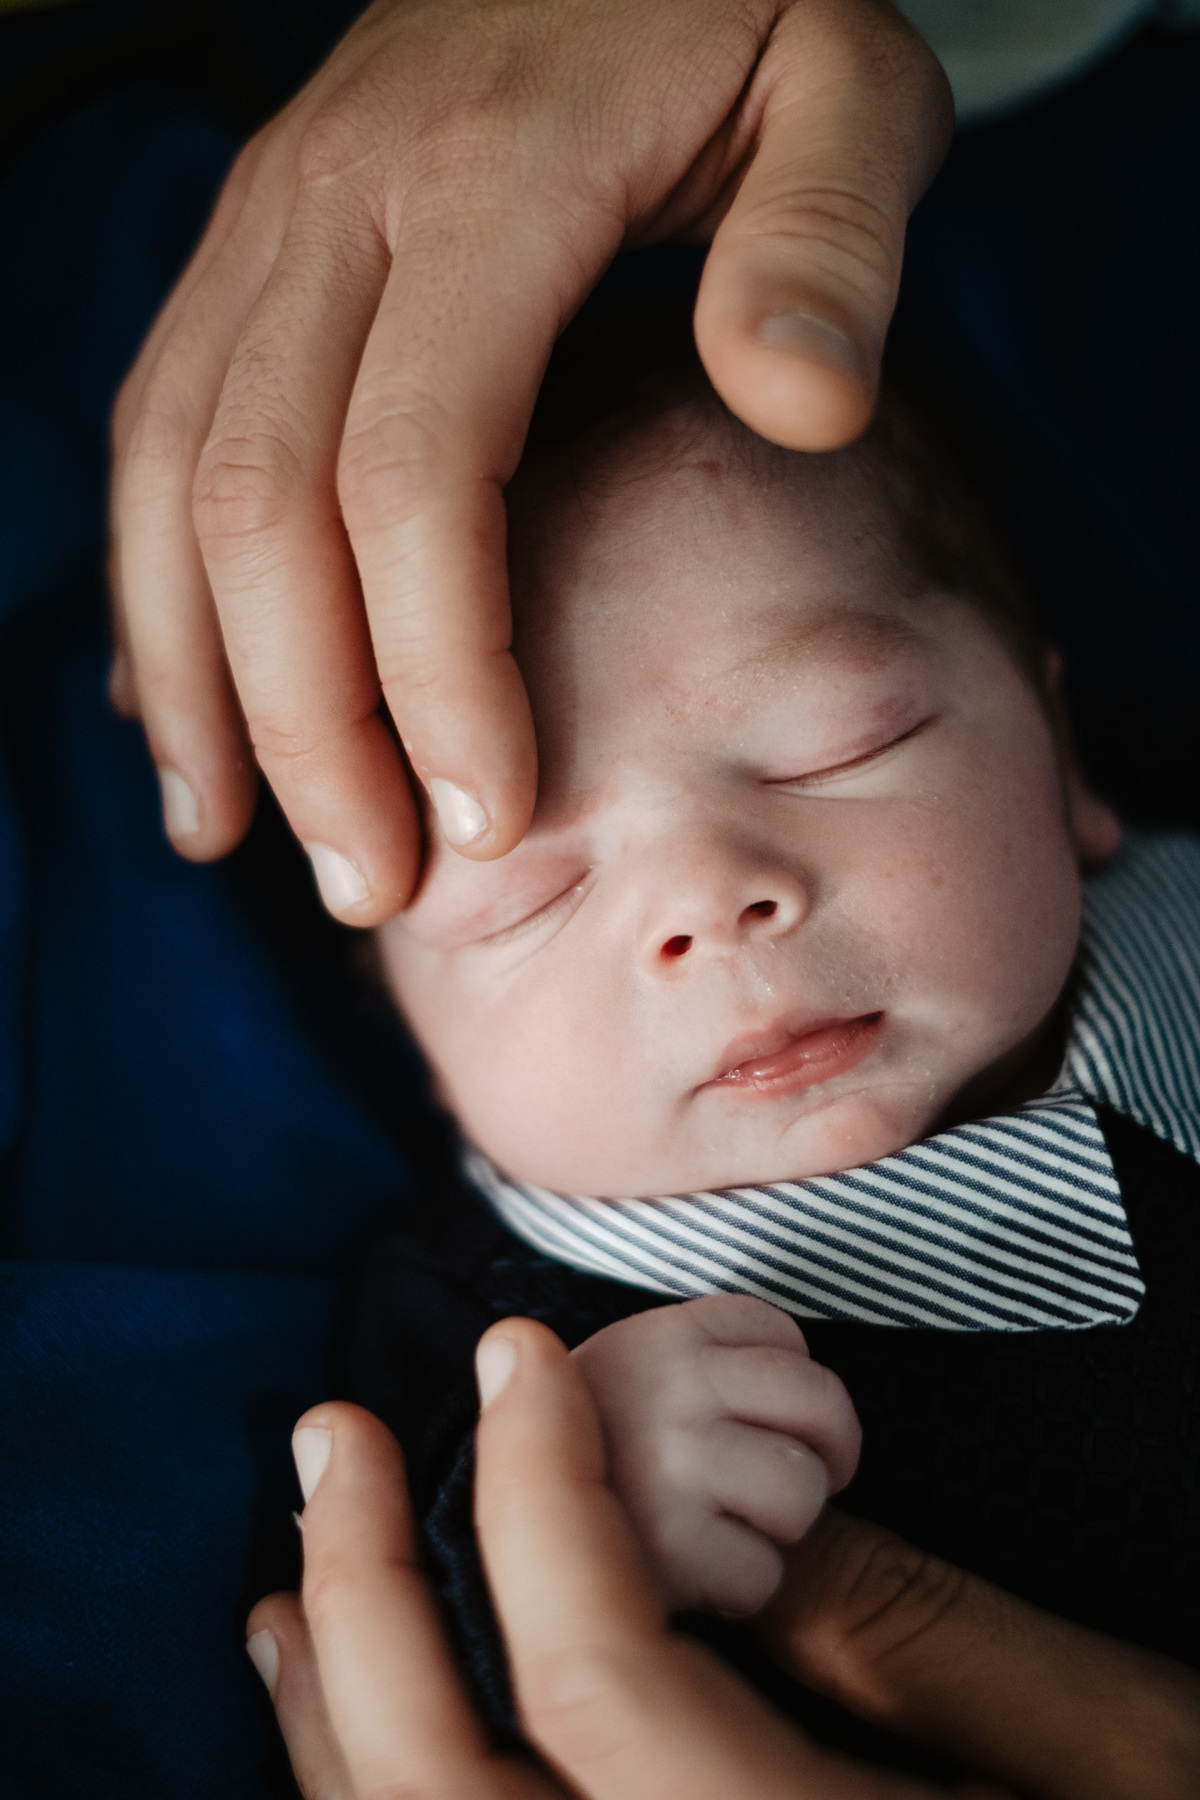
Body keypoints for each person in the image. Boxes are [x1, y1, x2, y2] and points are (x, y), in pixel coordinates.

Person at [338, 305, 1200, 1757]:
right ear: (415, 1041)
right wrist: (570, 1515)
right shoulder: (513, 1338)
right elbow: (400, 1672)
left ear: (1061, 763)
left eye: (838, 744)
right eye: (523, 897)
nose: (707, 902)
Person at [245, 1316, 1200, 1800]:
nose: (698, 920)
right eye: (530, 915)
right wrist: (577, 1483)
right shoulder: (471, 1297)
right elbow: (435, 1674)